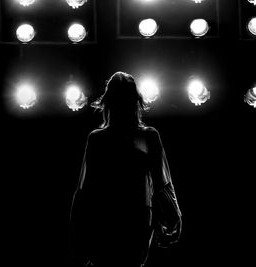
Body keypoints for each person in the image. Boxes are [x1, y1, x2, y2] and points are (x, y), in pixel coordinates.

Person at [69, 72, 182, 267]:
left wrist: (173, 217)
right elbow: (86, 190)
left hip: (127, 222)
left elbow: (85, 191)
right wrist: (174, 217)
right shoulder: (101, 138)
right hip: (117, 221)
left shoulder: (141, 137)